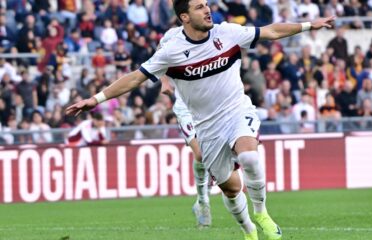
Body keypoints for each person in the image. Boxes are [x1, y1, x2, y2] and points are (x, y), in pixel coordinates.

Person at [66, 1, 334, 238]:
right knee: (231, 188)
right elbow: (136, 77)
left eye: (207, 5)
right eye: (199, 7)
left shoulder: (227, 33)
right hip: (207, 128)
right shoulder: (171, 50)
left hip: (237, 111)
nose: (207, 10)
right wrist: (96, 99)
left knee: (250, 157)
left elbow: (271, 31)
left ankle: (262, 213)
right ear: (184, 16)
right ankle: (248, 231)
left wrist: (309, 25)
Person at [161, 75, 212, 227]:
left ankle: (201, 201)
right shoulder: (171, 50)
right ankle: (203, 202)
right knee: (201, 154)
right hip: (184, 105)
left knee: (215, 156)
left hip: (209, 101)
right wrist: (165, 81)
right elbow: (160, 56)